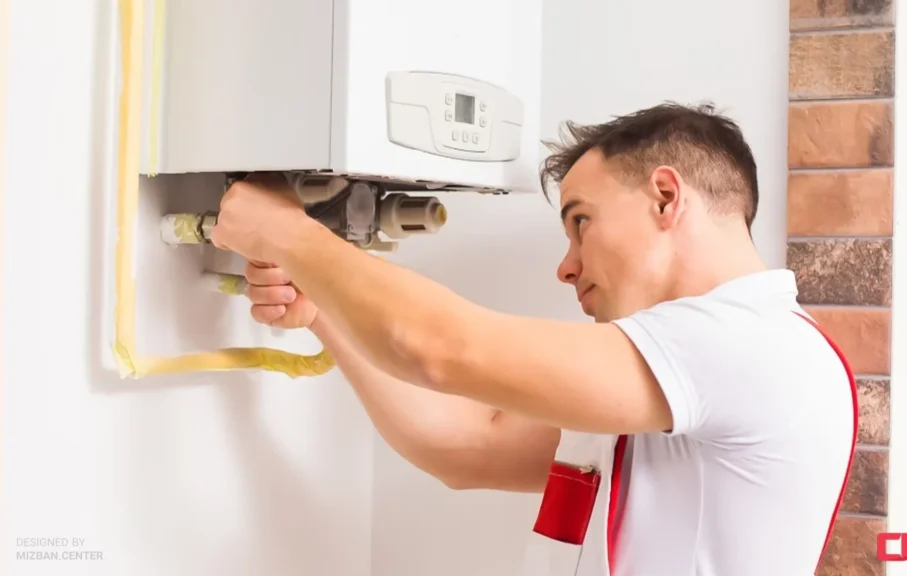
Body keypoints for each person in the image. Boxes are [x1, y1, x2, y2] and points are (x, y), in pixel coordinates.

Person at [210, 102, 858, 576]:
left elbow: (439, 348)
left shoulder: (754, 346)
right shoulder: (676, 377)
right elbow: (465, 445)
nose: (566, 267)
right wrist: (322, 305)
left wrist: (288, 234)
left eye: (581, 223)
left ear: (665, 197)